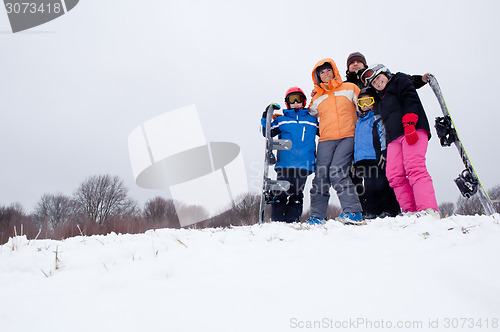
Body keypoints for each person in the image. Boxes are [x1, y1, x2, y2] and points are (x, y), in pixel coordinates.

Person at [361, 64, 439, 217]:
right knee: (394, 174)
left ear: (386, 73)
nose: (377, 82)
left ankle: (428, 209)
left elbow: (410, 96)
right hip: (393, 138)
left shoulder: (399, 80)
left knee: (414, 167)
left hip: (412, 128)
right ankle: (409, 210)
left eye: (378, 78)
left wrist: (410, 122)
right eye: (374, 82)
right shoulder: (381, 97)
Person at [305, 58, 363, 224]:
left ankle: (353, 212)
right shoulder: (317, 98)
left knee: (338, 172)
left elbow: (364, 107)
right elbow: (307, 116)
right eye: (321, 72)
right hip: (326, 139)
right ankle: (317, 216)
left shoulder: (350, 88)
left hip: (348, 136)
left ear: (334, 70)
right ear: (318, 77)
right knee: (320, 176)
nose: (325, 74)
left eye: (328, 70)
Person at [261, 87, 319, 223]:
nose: (296, 102)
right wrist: (266, 116)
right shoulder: (282, 120)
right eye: (292, 100)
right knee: (281, 194)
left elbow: (326, 131)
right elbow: (267, 132)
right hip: (285, 164)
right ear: (287, 103)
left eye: (298, 99)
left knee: (296, 195)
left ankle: (293, 222)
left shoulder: (312, 120)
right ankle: (277, 223)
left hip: (304, 164)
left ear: (304, 101)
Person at [353, 86, 400, 218]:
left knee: (382, 182)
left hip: (376, 157)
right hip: (362, 159)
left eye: (369, 102)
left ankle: (390, 209)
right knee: (368, 185)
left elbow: (383, 134)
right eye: (362, 103)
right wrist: (355, 160)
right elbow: (357, 141)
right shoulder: (358, 122)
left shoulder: (377, 118)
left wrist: (384, 152)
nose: (366, 105)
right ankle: (372, 210)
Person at [345, 51, 430, 90]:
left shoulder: (376, 78)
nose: (355, 64)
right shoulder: (344, 86)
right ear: (348, 67)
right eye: (352, 63)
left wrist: (421, 79)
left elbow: (400, 81)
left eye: (359, 61)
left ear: (364, 65)